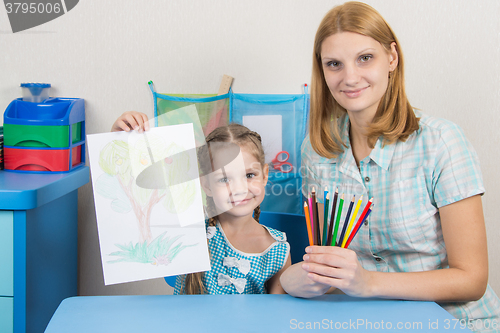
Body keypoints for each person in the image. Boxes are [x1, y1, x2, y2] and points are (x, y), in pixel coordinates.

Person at [279, 1, 500, 331]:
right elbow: (330, 258)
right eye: (334, 64)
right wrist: (294, 279)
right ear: (322, 71)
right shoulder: (315, 150)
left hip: (454, 320)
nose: (350, 77)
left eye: (365, 58)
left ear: (391, 59)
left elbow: (471, 280)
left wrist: (368, 283)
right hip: (362, 320)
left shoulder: (441, 142)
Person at [112, 114, 291, 294]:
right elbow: (134, 203)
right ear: (207, 185)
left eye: (249, 175)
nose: (239, 189)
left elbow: (274, 316)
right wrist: (122, 138)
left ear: (265, 175)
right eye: (225, 178)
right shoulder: (190, 230)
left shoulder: (278, 250)